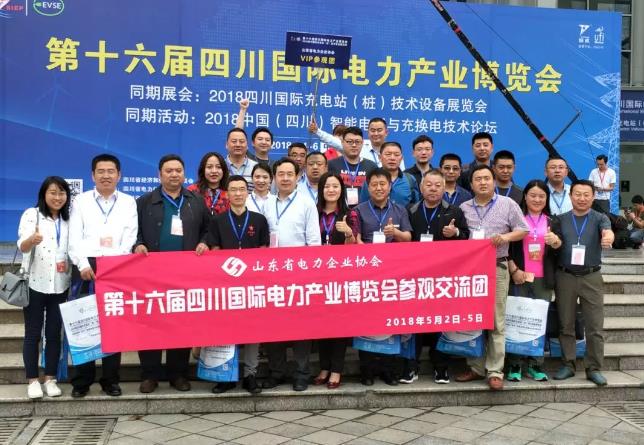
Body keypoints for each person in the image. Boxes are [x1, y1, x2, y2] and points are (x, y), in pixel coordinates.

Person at [134, 154, 210, 394]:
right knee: (151, 324)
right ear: (160, 174)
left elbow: (208, 229)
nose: (174, 174)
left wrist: (205, 242)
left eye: (178, 170)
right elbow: (133, 230)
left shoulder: (196, 200)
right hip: (151, 274)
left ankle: (178, 374)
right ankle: (150, 375)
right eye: (169, 171)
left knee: (181, 324)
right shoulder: (145, 201)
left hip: (185, 275)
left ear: (184, 174)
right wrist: (138, 244)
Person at [68, 154, 138, 398]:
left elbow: (130, 235)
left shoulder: (129, 202)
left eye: (111, 171)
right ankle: (82, 381)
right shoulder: (81, 201)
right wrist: (82, 263)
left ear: (119, 175)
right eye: (101, 171)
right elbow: (74, 236)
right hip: (85, 267)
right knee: (84, 323)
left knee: (113, 323)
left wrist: (116, 264)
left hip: (115, 266)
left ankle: (110, 379)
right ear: (92, 175)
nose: (106, 175)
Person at [455, 165, 529, 391]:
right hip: (471, 271)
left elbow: (523, 229)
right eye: (478, 179)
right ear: (471, 184)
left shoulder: (508, 204)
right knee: (473, 319)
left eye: (487, 178)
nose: (483, 182)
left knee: (497, 320)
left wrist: (505, 237)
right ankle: (476, 367)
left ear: (494, 181)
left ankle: (495, 370)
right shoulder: (463, 207)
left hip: (497, 266)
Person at [207, 175, 270, 395]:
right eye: (233, 190)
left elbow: (264, 251)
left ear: (247, 192)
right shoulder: (217, 220)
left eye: (242, 189)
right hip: (226, 284)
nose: (237, 193)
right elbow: (214, 251)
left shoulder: (259, 220)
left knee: (253, 330)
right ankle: (226, 375)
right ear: (227, 194)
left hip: (252, 284)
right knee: (227, 328)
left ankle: (250, 374)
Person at [263, 158, 321, 391]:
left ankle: (301, 373)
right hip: (271, 274)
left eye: (290, 174)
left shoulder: (307, 203)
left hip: (299, 274)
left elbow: (314, 242)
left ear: (298, 177)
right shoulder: (267, 203)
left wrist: (309, 275)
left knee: (300, 327)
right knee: (273, 326)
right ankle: (276, 371)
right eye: (281, 174)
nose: (285, 178)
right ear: (274, 177)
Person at [405, 170, 469, 384]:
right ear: (421, 188)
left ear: (444, 188)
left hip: (444, 277)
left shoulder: (455, 211)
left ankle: (440, 368)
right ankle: (411, 366)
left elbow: (468, 238)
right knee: (414, 323)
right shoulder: (411, 210)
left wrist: (456, 233)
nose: (433, 189)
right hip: (416, 276)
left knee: (440, 322)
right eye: (429, 185)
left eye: (437, 185)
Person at [552, 179, 614, 386]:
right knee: (566, 323)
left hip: (591, 276)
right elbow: (555, 241)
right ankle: (568, 364)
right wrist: (554, 242)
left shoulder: (599, 218)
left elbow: (607, 231)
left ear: (593, 197)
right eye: (577, 194)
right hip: (566, 276)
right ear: (571, 196)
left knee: (594, 325)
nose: (582, 198)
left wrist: (609, 237)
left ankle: (593, 367)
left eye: (586, 194)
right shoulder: (560, 219)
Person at [355, 168, 412, 385]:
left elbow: (408, 237)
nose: (379, 188)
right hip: (367, 274)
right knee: (366, 321)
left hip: (393, 275)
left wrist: (395, 233)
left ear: (390, 186)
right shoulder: (359, 210)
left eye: (383, 184)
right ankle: (367, 371)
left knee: (391, 320)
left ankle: (389, 370)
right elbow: (356, 240)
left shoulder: (399, 210)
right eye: (374, 184)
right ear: (368, 187)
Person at [17, 176, 72, 399]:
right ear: (44, 194)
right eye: (53, 192)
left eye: (62, 193)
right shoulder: (32, 214)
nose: (57, 197)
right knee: (32, 333)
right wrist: (32, 239)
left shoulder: (69, 219)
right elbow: (22, 246)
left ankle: (50, 378)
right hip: (35, 283)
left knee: (54, 333)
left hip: (60, 284)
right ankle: (32, 380)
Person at [506, 180, 563, 382]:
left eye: (541, 196)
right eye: (533, 195)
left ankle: (535, 364)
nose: (537, 199)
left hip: (543, 279)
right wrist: (514, 270)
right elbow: (506, 248)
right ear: (525, 197)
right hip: (519, 277)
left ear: (547, 199)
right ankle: (514, 364)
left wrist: (556, 243)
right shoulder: (516, 219)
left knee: (539, 321)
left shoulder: (553, 221)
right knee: (516, 319)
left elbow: (560, 250)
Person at [313, 172, 359, 389]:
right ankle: (324, 367)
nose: (331, 190)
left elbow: (355, 249)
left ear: (342, 190)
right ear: (320, 190)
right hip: (317, 276)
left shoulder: (350, 214)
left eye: (335, 186)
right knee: (321, 323)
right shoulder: (312, 212)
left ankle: (336, 370)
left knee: (339, 323)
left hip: (341, 277)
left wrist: (348, 233)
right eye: (327, 186)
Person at [327, 127, 377, 207]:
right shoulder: (331, 165)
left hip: (364, 211)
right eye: (350, 142)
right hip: (339, 210)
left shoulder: (372, 166)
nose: (354, 145)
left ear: (362, 143)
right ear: (342, 142)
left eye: (357, 142)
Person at [360, 142, 420, 207]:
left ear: (401, 158)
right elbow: (363, 206)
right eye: (388, 154)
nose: (392, 158)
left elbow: (416, 207)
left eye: (396, 155)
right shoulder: (371, 179)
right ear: (380, 157)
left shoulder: (409, 179)